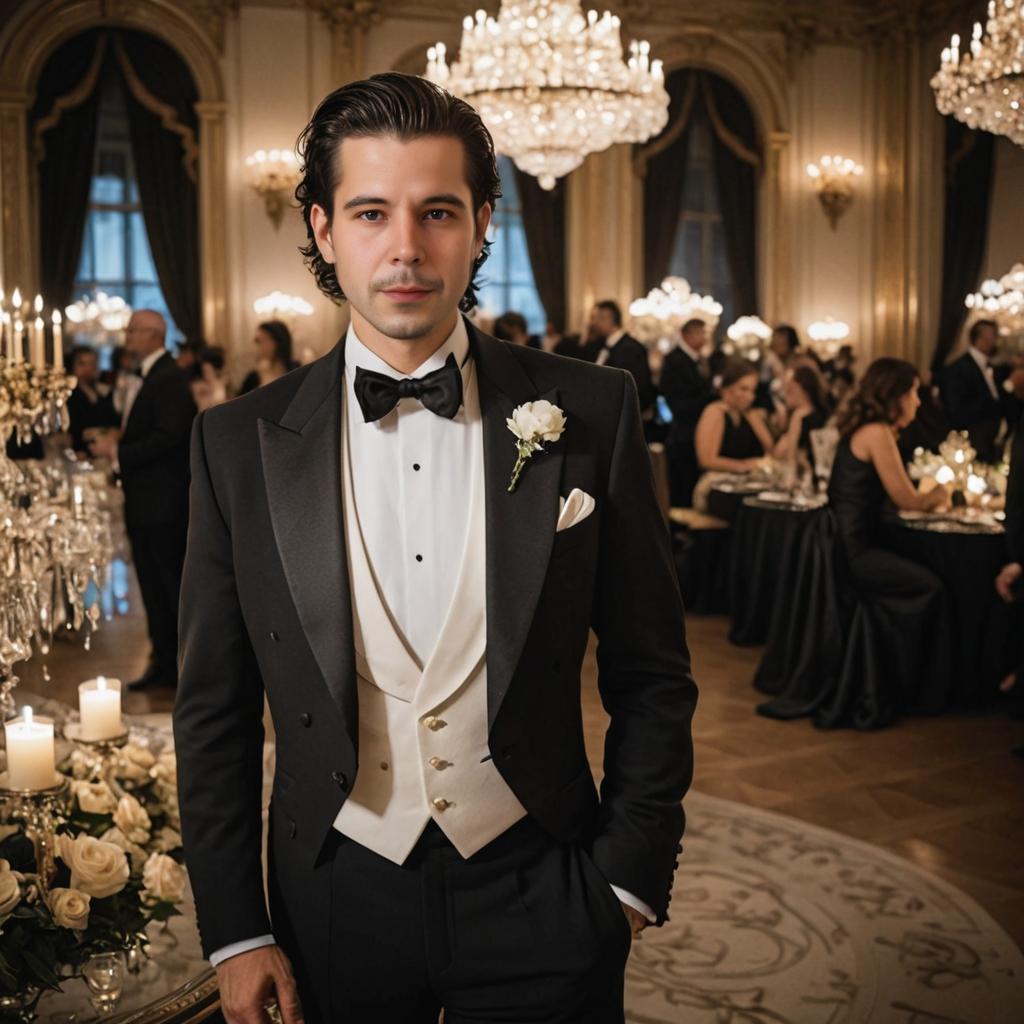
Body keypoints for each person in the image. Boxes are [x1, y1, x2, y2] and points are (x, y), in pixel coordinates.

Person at [174, 72, 696, 1024]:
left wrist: (625, 883)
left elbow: (654, 674)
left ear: (483, 222)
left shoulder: (592, 409)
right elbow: (211, 708)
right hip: (332, 893)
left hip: (546, 881)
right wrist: (236, 930)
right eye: (371, 212)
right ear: (325, 230)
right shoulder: (235, 444)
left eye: (439, 212)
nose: (407, 249)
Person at [828, 357, 951, 724]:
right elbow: (907, 500)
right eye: (914, 392)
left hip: (850, 545)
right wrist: (942, 492)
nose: (918, 402)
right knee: (932, 587)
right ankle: (910, 684)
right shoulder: (876, 432)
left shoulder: (870, 429)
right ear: (894, 394)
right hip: (853, 552)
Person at [89, 310, 196, 691]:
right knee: (153, 587)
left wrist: (118, 453)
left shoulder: (167, 377)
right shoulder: (151, 375)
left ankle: (180, 669)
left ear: (153, 335)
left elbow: (170, 435)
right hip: (147, 501)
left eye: (132, 330)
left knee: (168, 587)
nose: (127, 336)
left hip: (163, 504)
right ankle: (164, 664)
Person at [659, 318, 716, 506]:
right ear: (687, 335)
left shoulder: (702, 359)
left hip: (700, 428)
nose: (705, 338)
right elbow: (676, 401)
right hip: (684, 432)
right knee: (683, 485)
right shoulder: (674, 360)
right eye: (701, 333)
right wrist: (708, 401)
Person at [940, 319, 1011, 463]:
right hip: (974, 444)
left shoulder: (990, 366)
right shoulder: (959, 369)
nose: (995, 340)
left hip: (992, 442)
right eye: (993, 336)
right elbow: (957, 411)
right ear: (982, 338)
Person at [694, 358, 774, 475]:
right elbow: (706, 460)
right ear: (727, 389)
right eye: (743, 389)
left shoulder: (748, 414)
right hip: (717, 483)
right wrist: (746, 465)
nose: (750, 397)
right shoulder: (715, 412)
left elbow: (771, 450)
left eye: (753, 391)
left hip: (745, 483)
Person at [580, 300, 656, 417]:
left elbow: (636, 387)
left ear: (610, 319)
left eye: (598, 318)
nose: (594, 323)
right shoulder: (600, 344)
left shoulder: (632, 348)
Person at [66, 345, 120, 455]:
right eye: (82, 364)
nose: (88, 369)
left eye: (92, 364)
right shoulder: (67, 394)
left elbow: (115, 424)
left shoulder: (104, 391)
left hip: (103, 454)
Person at [773, 363, 832, 462]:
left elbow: (786, 456)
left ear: (804, 389)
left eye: (790, 388)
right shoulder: (821, 414)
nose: (785, 393)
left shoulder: (800, 415)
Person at [238, 320, 300, 395]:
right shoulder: (253, 378)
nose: (258, 346)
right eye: (257, 341)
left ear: (278, 342)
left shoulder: (297, 372)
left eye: (262, 340)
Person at [191, 345, 230, 412]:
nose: (206, 373)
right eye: (204, 370)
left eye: (208, 370)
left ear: (216, 370)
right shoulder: (199, 387)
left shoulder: (224, 383)